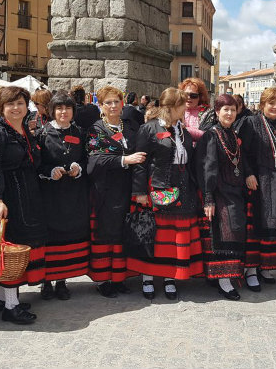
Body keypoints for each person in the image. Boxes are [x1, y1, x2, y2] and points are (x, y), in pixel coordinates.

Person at [0, 86, 47, 324]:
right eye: (10, 104)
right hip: (9, 195)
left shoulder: (24, 130)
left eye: (20, 103)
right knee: (11, 248)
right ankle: (11, 306)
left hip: (27, 194)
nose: (16, 108)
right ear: (1, 108)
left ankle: (2, 298)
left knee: (22, 245)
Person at [130, 87, 203, 300]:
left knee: (173, 238)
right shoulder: (149, 128)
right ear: (172, 107)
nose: (186, 108)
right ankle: (148, 277)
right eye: (182, 105)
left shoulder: (183, 130)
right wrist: (140, 192)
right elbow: (141, 163)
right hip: (158, 187)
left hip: (183, 188)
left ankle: (170, 277)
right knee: (155, 235)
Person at [86, 86, 145, 297]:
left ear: (122, 104)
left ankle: (119, 277)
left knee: (122, 233)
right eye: (108, 102)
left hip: (127, 187)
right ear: (101, 106)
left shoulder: (130, 126)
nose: (113, 106)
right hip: (106, 190)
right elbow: (95, 160)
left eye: (116, 101)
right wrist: (124, 160)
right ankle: (103, 280)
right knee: (106, 233)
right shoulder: (96, 129)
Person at [35, 92, 90, 301]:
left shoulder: (80, 132)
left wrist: (79, 167)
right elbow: (36, 164)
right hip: (50, 194)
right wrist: (50, 171)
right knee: (50, 238)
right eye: (59, 108)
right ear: (52, 111)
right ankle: (46, 281)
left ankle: (62, 281)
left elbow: (87, 159)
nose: (63, 112)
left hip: (73, 194)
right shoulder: (42, 134)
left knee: (68, 238)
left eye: (67, 108)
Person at [238, 88, 276, 289]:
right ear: (262, 105)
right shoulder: (251, 123)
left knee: (273, 224)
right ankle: (251, 269)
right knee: (256, 225)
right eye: (271, 103)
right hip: (258, 180)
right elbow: (241, 151)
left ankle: (265, 266)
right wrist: (248, 173)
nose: (275, 107)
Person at [196, 94, 248, 300]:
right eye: (225, 109)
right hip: (218, 192)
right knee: (221, 234)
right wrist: (208, 197)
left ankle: (225, 276)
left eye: (233, 110)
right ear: (217, 112)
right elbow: (207, 168)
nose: (229, 113)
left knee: (234, 232)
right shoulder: (211, 135)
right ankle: (223, 281)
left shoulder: (233, 134)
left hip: (235, 191)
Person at [179, 78, 210, 143]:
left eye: (193, 95)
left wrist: (184, 129)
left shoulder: (207, 113)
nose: (188, 97)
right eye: (185, 94)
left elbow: (208, 136)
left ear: (200, 97)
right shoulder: (176, 110)